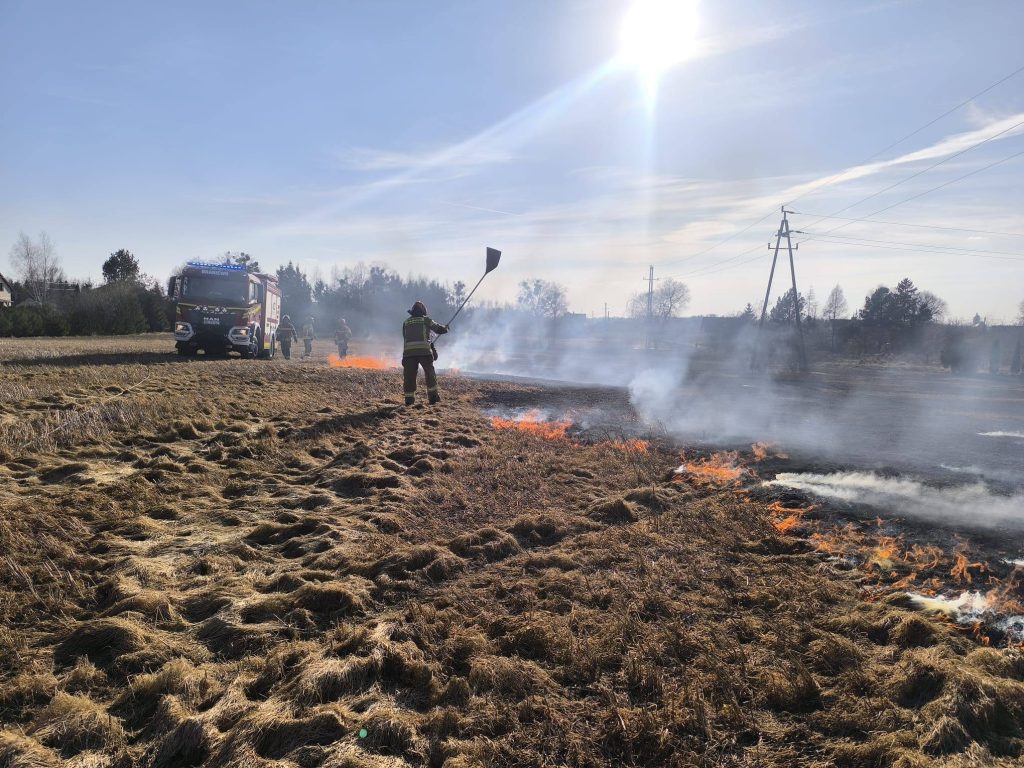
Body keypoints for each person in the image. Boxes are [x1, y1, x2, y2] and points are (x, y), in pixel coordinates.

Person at [402, 301, 447, 405]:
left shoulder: (406, 322)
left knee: (409, 377)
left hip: (408, 354)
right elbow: (439, 329)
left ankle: (409, 400)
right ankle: (433, 398)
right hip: (424, 353)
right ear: (423, 312)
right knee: (430, 374)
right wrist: (445, 328)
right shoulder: (426, 320)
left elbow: (405, 338)